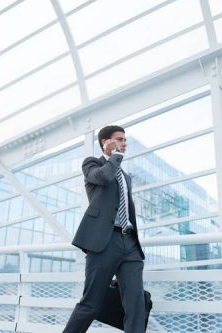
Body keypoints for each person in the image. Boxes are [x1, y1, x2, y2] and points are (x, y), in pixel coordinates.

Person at [63, 125, 146, 333]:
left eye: (126, 140)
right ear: (105, 142)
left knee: (136, 305)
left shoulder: (126, 177)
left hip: (130, 243)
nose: (125, 143)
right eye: (120, 139)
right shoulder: (92, 164)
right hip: (103, 242)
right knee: (90, 303)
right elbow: (103, 177)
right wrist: (115, 156)